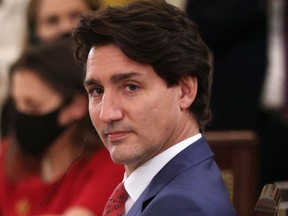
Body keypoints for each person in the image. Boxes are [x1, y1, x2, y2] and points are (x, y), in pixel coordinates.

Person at [73, 0, 236, 215]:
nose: (107, 113)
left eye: (130, 87)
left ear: (185, 91)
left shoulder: (180, 206)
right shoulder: (171, 188)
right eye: (97, 91)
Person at [0, 39, 124, 216]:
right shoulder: (8, 155)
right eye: (16, 104)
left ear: (75, 106)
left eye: (33, 106)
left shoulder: (107, 164)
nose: (21, 115)